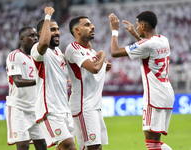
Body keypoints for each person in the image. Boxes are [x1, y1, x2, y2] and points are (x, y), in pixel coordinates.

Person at [109, 11, 174, 150]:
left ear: (143, 26)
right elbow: (146, 49)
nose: (136, 27)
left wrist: (114, 30)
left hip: (154, 97)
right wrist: (135, 35)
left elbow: (114, 52)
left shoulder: (147, 44)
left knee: (152, 144)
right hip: (166, 93)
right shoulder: (163, 39)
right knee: (155, 142)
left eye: (138, 25)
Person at [30, 6, 77, 150]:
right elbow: (43, 43)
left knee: (63, 147)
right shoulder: (38, 49)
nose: (57, 32)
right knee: (69, 147)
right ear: (41, 33)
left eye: (57, 29)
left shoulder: (57, 52)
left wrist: (63, 81)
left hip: (64, 109)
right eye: (52, 29)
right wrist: (47, 17)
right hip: (49, 110)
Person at [64, 15, 112, 150]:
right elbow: (94, 68)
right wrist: (102, 55)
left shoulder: (91, 51)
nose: (92, 27)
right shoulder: (73, 47)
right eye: (87, 24)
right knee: (94, 147)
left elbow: (93, 74)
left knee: (94, 147)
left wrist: (104, 69)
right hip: (84, 106)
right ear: (77, 30)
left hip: (95, 106)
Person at [6, 27, 47, 150]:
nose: (35, 38)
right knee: (23, 146)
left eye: (36, 35)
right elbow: (17, 81)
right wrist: (42, 81)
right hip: (19, 108)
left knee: (42, 145)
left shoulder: (39, 57)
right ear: (22, 39)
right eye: (31, 35)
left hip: (36, 108)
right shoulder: (14, 56)